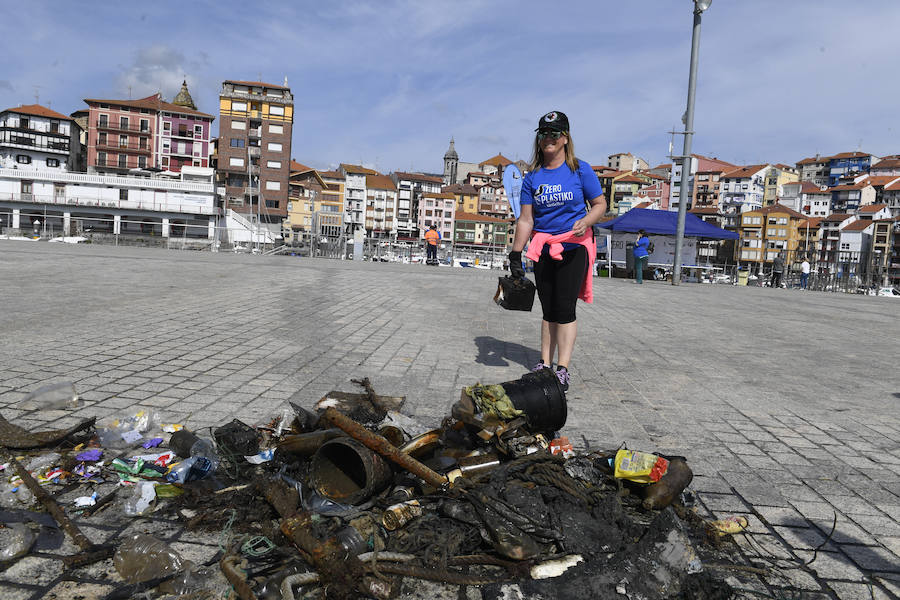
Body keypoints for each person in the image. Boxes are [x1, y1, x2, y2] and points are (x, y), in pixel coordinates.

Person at [508, 110, 607, 391]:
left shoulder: (580, 170)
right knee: (548, 308)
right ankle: (544, 364)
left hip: (574, 246)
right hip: (543, 247)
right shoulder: (532, 178)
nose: (548, 138)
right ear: (539, 139)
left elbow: (600, 204)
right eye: (543, 134)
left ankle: (562, 368)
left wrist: (585, 221)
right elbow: (526, 220)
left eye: (554, 133)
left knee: (564, 308)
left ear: (565, 138)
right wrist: (516, 254)